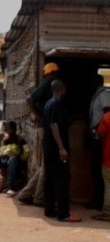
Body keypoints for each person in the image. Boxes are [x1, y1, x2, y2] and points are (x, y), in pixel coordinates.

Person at [18, 62, 61, 206]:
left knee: (44, 164)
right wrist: (38, 114)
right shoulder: (49, 83)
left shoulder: (48, 84)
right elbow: (30, 99)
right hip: (46, 128)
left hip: (44, 127)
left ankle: (26, 193)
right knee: (46, 165)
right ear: (53, 73)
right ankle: (38, 197)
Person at [42, 79, 81, 222]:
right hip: (56, 149)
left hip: (48, 148)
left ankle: (49, 209)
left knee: (50, 179)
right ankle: (64, 213)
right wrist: (62, 148)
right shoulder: (57, 104)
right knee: (62, 180)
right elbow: (54, 125)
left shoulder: (48, 104)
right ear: (62, 89)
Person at [93, 107, 110, 221]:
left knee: (108, 185)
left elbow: (101, 135)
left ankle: (107, 212)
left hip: (108, 157)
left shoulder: (107, 117)